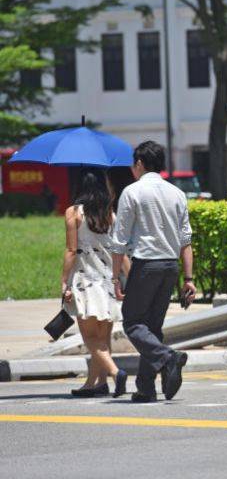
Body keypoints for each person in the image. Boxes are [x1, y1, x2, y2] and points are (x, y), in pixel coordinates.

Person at [111, 141, 195, 403]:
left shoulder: (132, 191)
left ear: (139, 164)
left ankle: (168, 358)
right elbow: (186, 241)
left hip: (146, 264)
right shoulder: (177, 193)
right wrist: (189, 279)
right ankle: (146, 386)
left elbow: (119, 240)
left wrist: (115, 277)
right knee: (152, 327)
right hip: (170, 266)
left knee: (133, 321)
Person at [61, 169, 130, 398]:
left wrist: (64, 282)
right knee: (103, 338)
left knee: (90, 338)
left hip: (85, 282)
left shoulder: (73, 213)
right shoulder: (110, 214)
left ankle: (114, 372)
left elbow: (71, 250)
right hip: (109, 282)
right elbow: (120, 251)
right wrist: (129, 280)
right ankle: (96, 383)